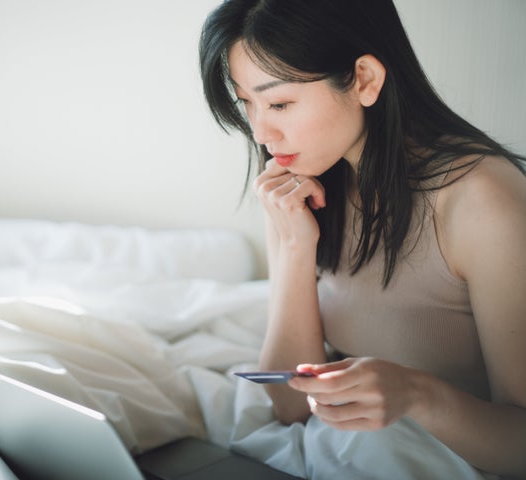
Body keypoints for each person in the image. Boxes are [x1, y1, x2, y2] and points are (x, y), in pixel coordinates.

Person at [199, 0, 526, 478]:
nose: (261, 131)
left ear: (365, 79)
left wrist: (417, 394)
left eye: (280, 103)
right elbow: (292, 406)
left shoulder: (482, 202)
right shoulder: (301, 180)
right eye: (245, 102)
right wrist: (294, 247)